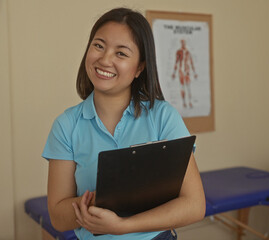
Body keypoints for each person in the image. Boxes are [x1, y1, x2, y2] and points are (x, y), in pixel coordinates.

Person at [42, 7, 205, 240]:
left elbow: (194, 205)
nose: (105, 59)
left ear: (139, 67)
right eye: (98, 45)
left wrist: (122, 225)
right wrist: (106, 198)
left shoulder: (163, 117)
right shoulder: (66, 125)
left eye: (121, 53)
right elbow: (58, 217)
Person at [171, 39, 198, 108]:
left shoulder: (188, 52)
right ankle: (184, 102)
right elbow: (176, 62)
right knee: (182, 87)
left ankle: (190, 102)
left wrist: (194, 73)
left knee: (188, 87)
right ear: (181, 43)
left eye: (184, 43)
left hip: (187, 71)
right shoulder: (179, 52)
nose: (183, 44)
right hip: (181, 72)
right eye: (182, 43)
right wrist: (174, 73)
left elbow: (191, 62)